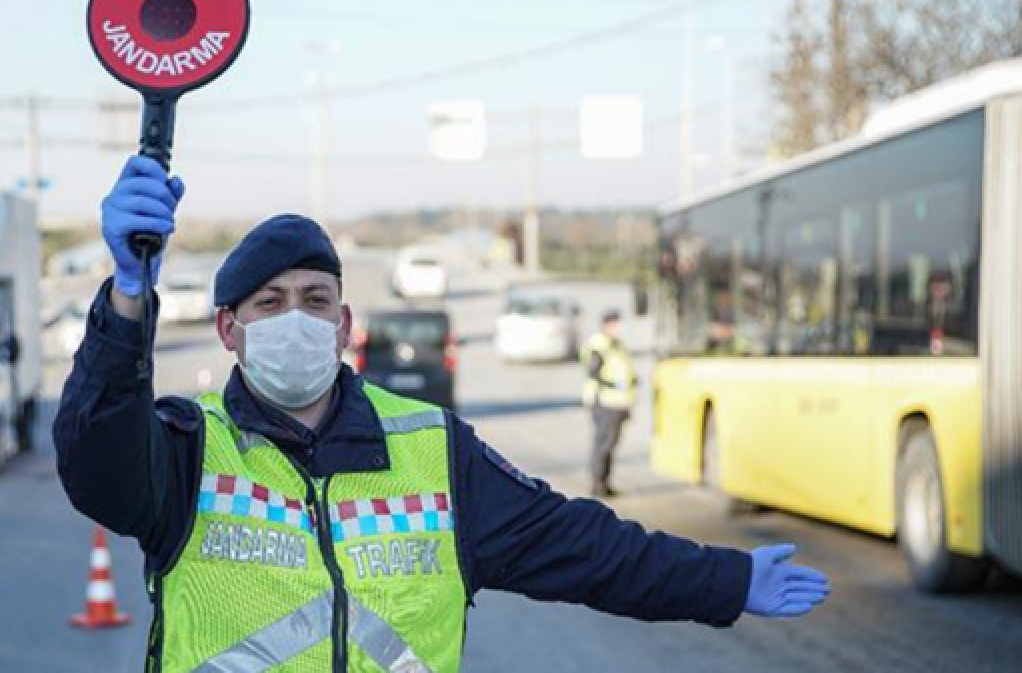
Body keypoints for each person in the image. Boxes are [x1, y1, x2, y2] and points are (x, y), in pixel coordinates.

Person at [55, 157, 831, 673]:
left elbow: (586, 549)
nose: (295, 317)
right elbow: (94, 462)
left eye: (314, 300)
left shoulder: (433, 449)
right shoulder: (185, 451)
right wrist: (128, 294)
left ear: (344, 324)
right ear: (229, 329)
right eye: (270, 303)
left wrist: (723, 580)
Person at [581, 310, 637, 498]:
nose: (620, 328)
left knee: (611, 444)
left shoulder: (618, 344)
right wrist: (614, 385)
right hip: (605, 402)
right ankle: (597, 484)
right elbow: (593, 372)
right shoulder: (600, 344)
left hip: (618, 403)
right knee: (603, 444)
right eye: (617, 324)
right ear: (608, 324)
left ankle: (605, 483)